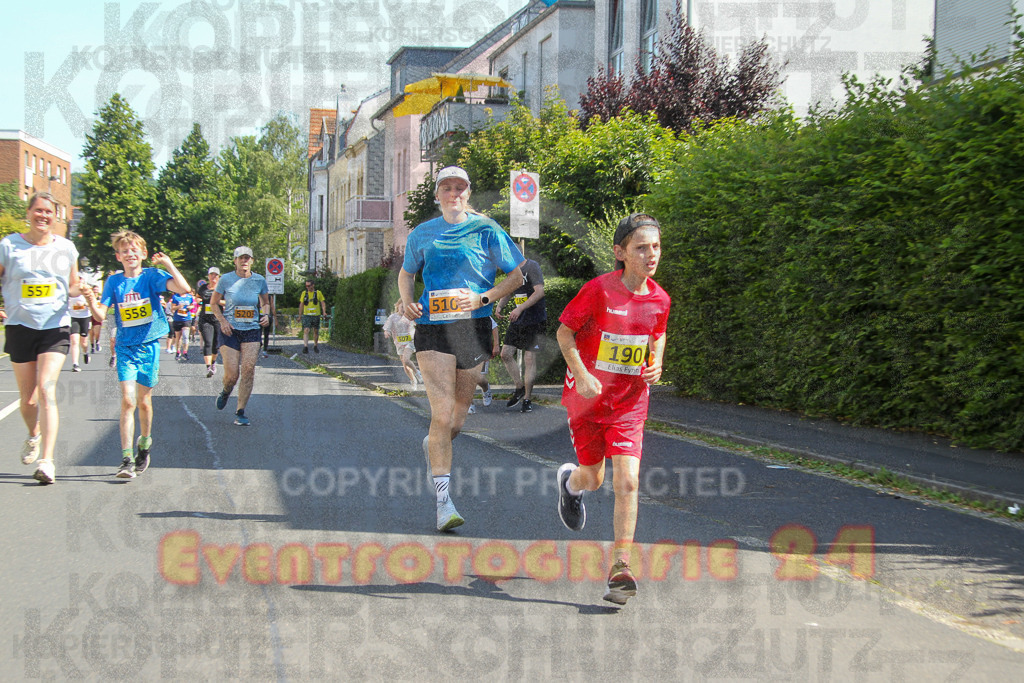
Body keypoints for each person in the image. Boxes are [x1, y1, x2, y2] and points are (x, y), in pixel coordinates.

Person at [398, 166, 526, 531]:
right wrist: (407, 300)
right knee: (441, 416)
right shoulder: (422, 234)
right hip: (432, 330)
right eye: (446, 188)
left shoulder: (486, 229)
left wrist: (483, 296)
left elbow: (517, 276)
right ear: (437, 194)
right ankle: (443, 503)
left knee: (454, 422)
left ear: (468, 192)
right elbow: (407, 273)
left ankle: (434, 444)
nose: (453, 193)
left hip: (474, 329)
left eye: (460, 187)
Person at [554, 213, 671, 605]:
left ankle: (621, 565)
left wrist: (656, 361)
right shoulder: (598, 291)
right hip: (587, 401)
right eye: (641, 247)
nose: (651, 254)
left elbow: (658, 333)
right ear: (620, 252)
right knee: (594, 477)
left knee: (629, 482)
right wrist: (583, 375)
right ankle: (570, 485)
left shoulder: (660, 299)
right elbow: (564, 332)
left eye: (655, 246)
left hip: (629, 403)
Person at [81, 231, 190, 479]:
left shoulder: (151, 276)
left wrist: (167, 263)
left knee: (143, 402)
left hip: (149, 345)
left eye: (134, 250)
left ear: (142, 253)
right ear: (118, 256)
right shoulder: (114, 282)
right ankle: (126, 459)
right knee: (128, 401)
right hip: (125, 347)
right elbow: (99, 315)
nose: (130, 254)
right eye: (124, 250)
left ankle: (145, 443)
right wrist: (89, 298)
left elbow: (183, 288)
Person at [0, 192, 86, 484]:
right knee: (28, 397)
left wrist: (81, 291)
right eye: (38, 210)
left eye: (49, 211)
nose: (43, 216)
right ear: (29, 212)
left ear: (55, 216)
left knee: (46, 389)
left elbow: (73, 285)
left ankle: (47, 461)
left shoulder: (66, 248)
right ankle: (33, 434)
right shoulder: (9, 245)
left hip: (55, 325)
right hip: (20, 326)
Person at [211, 246, 270, 426]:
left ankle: (240, 411)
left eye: (247, 258)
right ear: (235, 261)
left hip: (252, 329)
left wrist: (266, 314)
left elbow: (265, 302)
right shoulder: (226, 280)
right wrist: (222, 321)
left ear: (252, 261)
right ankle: (226, 390)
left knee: (248, 368)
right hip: (230, 330)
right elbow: (213, 303)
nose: (244, 261)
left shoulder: (259, 280)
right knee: (232, 375)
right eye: (241, 258)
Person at [495, 257, 546, 413]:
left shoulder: (532, 266)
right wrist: (500, 305)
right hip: (519, 319)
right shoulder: (512, 271)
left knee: (529, 358)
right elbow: (510, 291)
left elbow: (540, 292)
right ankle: (519, 387)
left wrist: (520, 308)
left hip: (535, 320)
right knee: (506, 354)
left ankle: (527, 399)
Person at [383, 299, 422, 389]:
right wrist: (386, 333)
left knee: (406, 360)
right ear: (397, 307)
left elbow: (419, 323)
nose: (403, 309)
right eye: (402, 307)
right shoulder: (392, 317)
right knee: (406, 366)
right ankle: (413, 380)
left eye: (405, 308)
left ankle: (417, 373)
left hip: (410, 342)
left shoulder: (411, 316)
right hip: (399, 344)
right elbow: (387, 328)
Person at [468, 318, 499, 413]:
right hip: (466, 349)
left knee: (478, 378)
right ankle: (469, 403)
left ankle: (486, 388)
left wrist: (496, 345)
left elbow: (494, 327)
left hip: (482, 349)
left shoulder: (482, 312)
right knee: (466, 376)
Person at [196, 267, 222, 377]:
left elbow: (228, 302)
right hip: (205, 319)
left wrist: (217, 302)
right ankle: (208, 368)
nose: (213, 277)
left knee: (216, 345)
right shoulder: (203, 288)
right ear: (208, 276)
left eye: (215, 275)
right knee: (208, 342)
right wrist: (199, 301)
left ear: (219, 277)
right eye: (211, 275)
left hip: (217, 319)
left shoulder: (222, 288)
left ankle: (213, 363)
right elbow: (197, 298)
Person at [67, 273, 94, 372]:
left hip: (84, 317)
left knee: (84, 342)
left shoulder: (87, 291)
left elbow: (93, 303)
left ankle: (86, 352)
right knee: (74, 340)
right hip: (73, 317)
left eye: (81, 280)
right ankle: (75, 364)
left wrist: (84, 304)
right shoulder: (70, 291)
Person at [299, 279, 327, 353]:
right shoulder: (304, 293)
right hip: (307, 314)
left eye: (309, 286)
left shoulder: (318, 293)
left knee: (315, 330)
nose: (307, 287)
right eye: (306, 286)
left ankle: (315, 345)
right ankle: (305, 346)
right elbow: (301, 304)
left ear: (313, 285)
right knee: (306, 330)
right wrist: (300, 315)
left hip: (316, 315)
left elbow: (322, 303)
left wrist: (324, 312)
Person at [170, 288, 196, 361]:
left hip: (186, 319)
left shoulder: (189, 297)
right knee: (178, 337)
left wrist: (189, 307)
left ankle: (185, 352)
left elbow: (193, 305)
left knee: (185, 336)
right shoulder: (175, 297)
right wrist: (179, 307)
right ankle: (178, 352)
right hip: (177, 319)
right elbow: (172, 308)